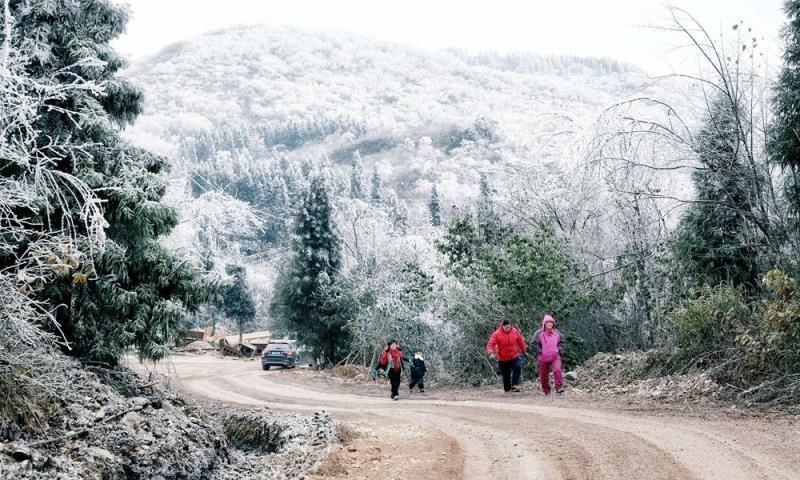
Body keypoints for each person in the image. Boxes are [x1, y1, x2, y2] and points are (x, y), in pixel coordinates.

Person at [486, 319, 527, 394]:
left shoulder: (515, 331)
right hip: (503, 358)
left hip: (514, 355)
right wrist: (491, 353)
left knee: (518, 367)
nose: (508, 328)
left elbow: (520, 341)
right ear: (502, 326)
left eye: (509, 327)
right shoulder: (497, 334)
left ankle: (514, 385)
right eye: (506, 327)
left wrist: (524, 350)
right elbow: (490, 344)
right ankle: (507, 391)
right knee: (506, 375)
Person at [532, 314, 564, 395]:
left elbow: (562, 342)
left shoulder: (557, 333)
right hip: (543, 357)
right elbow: (533, 343)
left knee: (557, 370)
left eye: (551, 322)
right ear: (544, 324)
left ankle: (559, 388)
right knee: (544, 374)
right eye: (547, 323)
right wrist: (540, 351)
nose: (549, 324)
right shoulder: (539, 333)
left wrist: (559, 350)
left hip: (555, 356)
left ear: (553, 323)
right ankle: (546, 390)